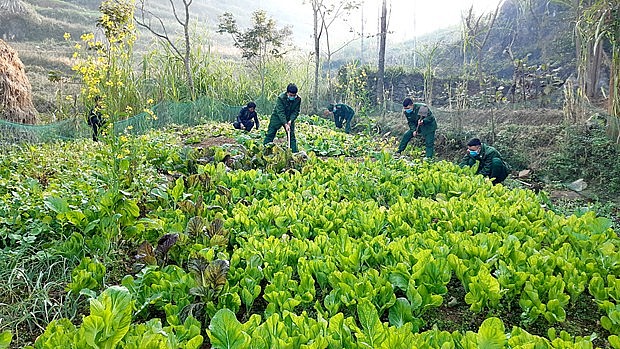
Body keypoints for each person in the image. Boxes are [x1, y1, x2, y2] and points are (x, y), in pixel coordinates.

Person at [263, 83, 301, 152]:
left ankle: (294, 153)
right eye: (291, 95)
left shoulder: (298, 99)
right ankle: (265, 149)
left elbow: (296, 111)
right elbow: (280, 112)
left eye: (294, 95)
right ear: (287, 93)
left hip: (289, 118)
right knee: (271, 133)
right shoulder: (281, 98)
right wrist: (285, 124)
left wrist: (290, 121)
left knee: (291, 136)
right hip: (277, 117)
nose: (292, 97)